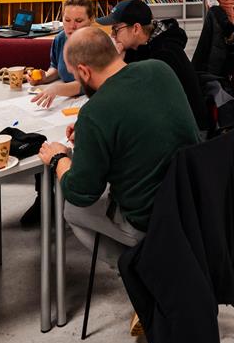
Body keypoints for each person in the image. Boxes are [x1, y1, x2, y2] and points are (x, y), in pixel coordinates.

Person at [38, 27, 199, 286]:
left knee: (72, 210)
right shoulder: (159, 69)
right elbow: (144, 122)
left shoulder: (94, 112)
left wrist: (59, 159)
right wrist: (92, 136)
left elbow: (81, 191)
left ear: (85, 71)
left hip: (151, 218)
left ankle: (145, 277)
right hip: (196, 200)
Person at [100, 0, 210, 133]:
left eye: (116, 29)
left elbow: (136, 100)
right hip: (168, 125)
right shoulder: (140, 47)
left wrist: (116, 63)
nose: (112, 35)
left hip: (189, 136)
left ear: (136, 28)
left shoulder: (164, 55)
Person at [31, 0, 94, 108]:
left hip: (90, 101)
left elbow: (91, 84)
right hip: (67, 100)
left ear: (91, 20)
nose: (72, 26)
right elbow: (55, 67)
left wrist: (57, 88)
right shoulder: (60, 38)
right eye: (67, 20)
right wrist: (45, 77)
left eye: (78, 21)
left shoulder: (98, 43)